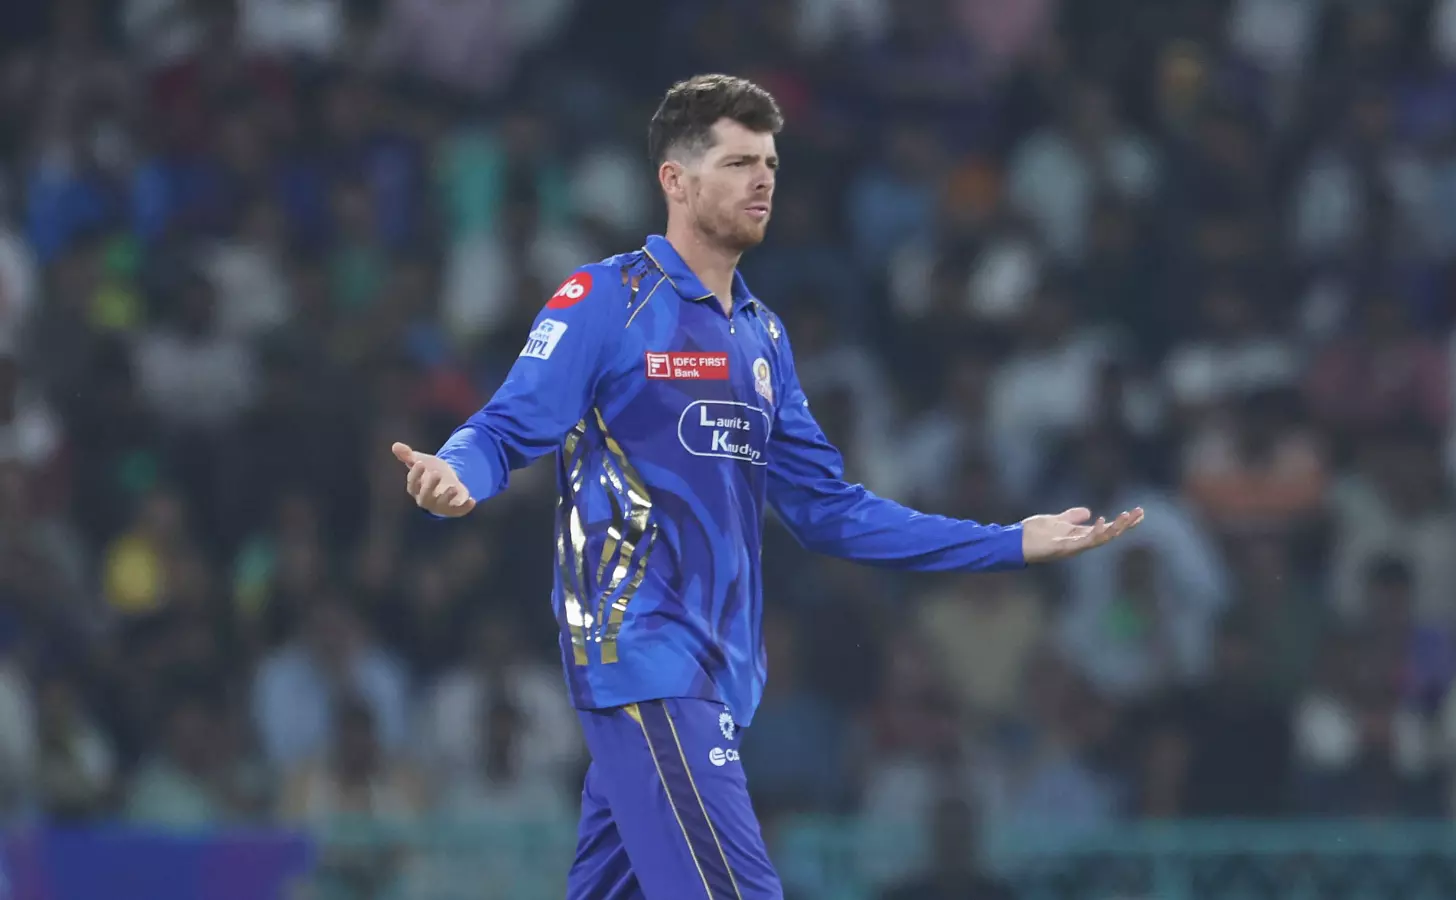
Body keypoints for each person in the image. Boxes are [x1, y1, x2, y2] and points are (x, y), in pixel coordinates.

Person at [391, 74, 1144, 900]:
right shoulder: (607, 298)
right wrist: (457, 472)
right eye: (739, 162)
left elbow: (830, 511)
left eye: (771, 164)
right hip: (646, 662)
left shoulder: (763, 336)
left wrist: (1008, 542)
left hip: (715, 684)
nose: (763, 182)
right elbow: (506, 425)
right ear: (676, 181)